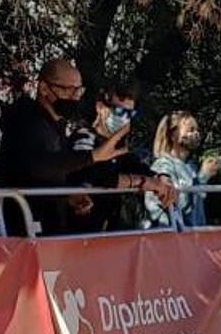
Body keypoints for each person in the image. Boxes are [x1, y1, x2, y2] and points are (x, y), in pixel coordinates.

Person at [0, 59, 133, 236]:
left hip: (49, 228)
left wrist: (68, 195)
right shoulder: (25, 121)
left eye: (79, 90)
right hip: (22, 229)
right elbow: (37, 166)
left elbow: (50, 176)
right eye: (69, 90)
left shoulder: (57, 126)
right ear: (44, 88)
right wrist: (93, 156)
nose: (75, 97)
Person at [66, 82, 177, 232]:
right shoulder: (84, 137)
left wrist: (160, 177)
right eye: (119, 112)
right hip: (75, 234)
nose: (124, 119)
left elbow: (135, 166)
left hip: (106, 235)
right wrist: (145, 182)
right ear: (100, 107)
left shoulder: (119, 146)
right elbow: (94, 174)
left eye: (130, 114)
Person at [144, 110, 220, 228]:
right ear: (173, 134)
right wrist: (203, 177)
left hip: (193, 238)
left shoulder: (190, 166)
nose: (196, 134)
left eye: (197, 130)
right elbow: (177, 205)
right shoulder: (162, 166)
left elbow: (195, 206)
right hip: (169, 239)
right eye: (191, 130)